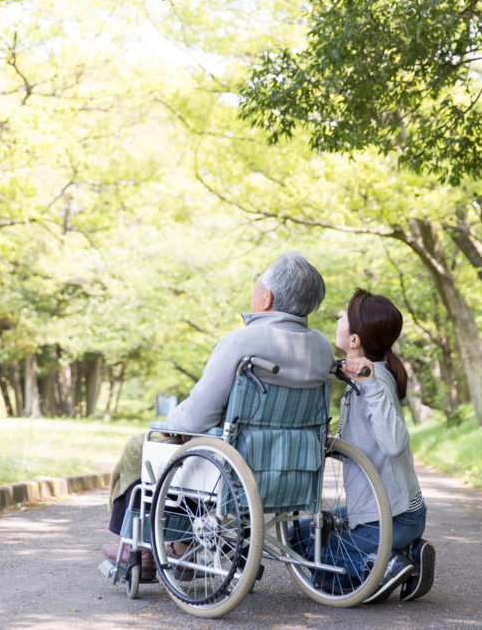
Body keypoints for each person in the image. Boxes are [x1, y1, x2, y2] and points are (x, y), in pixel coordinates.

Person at [102, 252, 336, 576]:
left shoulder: (243, 340)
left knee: (146, 446)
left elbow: (194, 417)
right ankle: (181, 547)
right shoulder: (323, 348)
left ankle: (135, 547)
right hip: (294, 464)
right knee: (206, 449)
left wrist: (173, 425)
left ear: (266, 297)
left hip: (236, 463)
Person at [312, 288, 436, 602]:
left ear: (355, 340)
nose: (338, 320)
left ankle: (388, 565)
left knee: (318, 565)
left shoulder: (375, 382)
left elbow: (393, 443)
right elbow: (361, 445)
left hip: (391, 517)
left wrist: (369, 386)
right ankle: (406, 553)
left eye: (343, 317)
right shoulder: (371, 375)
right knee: (303, 535)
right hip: (394, 515)